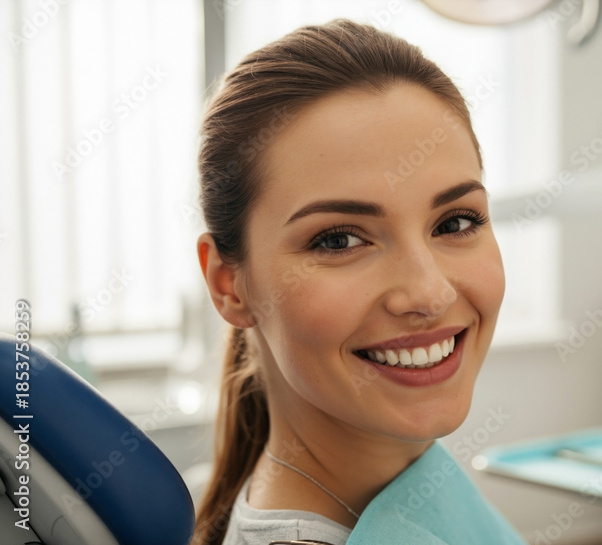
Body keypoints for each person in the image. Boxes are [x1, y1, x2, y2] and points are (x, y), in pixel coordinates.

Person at [191, 20, 524, 545]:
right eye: (339, 240)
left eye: (456, 223)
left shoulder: (406, 482)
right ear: (229, 284)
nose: (429, 293)